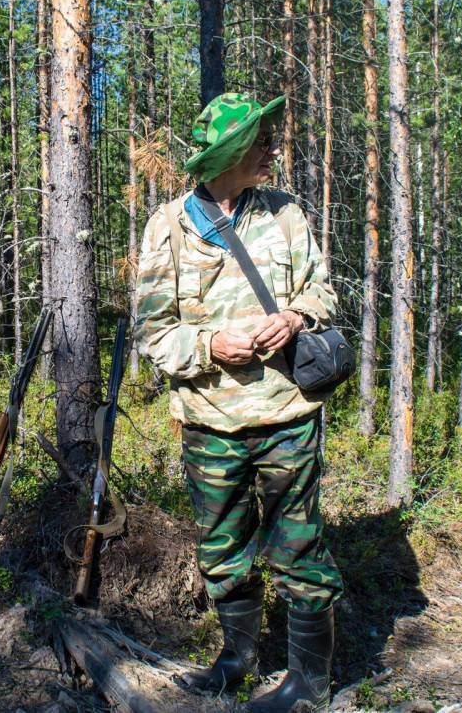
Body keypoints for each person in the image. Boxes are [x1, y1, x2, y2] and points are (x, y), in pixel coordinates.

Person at [135, 93, 343, 711]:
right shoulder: (167, 227)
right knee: (223, 551)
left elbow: (322, 291)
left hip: (286, 416)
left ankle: (310, 683)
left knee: (299, 549)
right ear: (228, 153)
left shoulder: (284, 214)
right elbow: (153, 332)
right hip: (209, 424)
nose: (273, 150)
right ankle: (236, 660)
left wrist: (297, 317)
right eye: (262, 142)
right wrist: (209, 344)